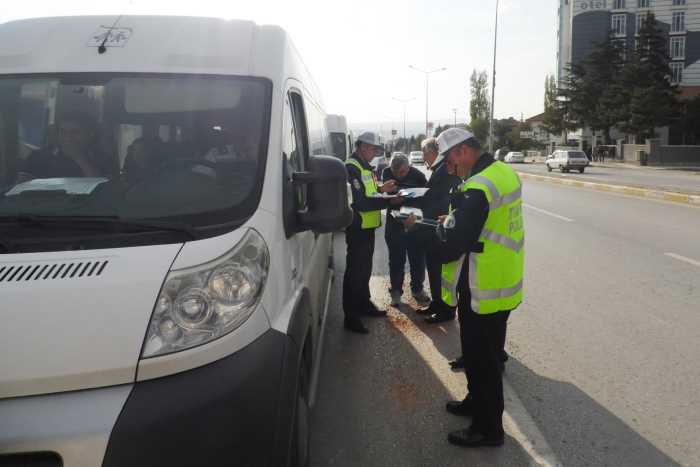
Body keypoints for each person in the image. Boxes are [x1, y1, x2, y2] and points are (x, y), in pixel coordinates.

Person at [433, 128, 524, 448]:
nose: (449, 167)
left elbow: (455, 243)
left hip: (482, 286)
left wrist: (441, 232)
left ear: (461, 152)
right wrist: (457, 218)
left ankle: (488, 430)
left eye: (448, 160)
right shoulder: (502, 172)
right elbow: (486, 223)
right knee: (483, 357)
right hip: (503, 281)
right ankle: (475, 403)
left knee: (482, 362)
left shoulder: (477, 187)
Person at [343, 132, 401, 334]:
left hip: (366, 227)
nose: (375, 153)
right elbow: (360, 201)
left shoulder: (365, 167)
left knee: (364, 270)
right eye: (374, 149)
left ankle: (363, 304)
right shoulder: (352, 167)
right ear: (364, 147)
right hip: (357, 227)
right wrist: (387, 199)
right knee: (354, 272)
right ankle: (351, 317)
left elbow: (369, 190)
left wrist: (382, 188)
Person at [405, 137, 461, 324]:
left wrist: (418, 215)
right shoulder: (439, 169)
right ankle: (437, 304)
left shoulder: (445, 169)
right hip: (432, 226)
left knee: (440, 272)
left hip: (440, 228)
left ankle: (446, 310)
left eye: (424, 153)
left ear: (433, 152)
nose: (423, 157)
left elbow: (441, 201)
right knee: (434, 269)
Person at [381, 154, 429, 307]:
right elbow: (382, 194)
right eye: (397, 173)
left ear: (408, 167)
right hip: (394, 223)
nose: (399, 175)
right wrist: (390, 199)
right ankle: (395, 291)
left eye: (403, 172)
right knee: (396, 259)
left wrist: (407, 197)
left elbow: (428, 195)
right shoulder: (386, 173)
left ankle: (417, 290)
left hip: (414, 222)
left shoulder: (418, 175)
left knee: (417, 259)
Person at [19, 112, 110, 180]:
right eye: (63, 132)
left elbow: (103, 189)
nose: (68, 138)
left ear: (90, 134)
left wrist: (79, 158)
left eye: (75, 132)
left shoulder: (103, 159)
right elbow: (21, 185)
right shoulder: (38, 156)